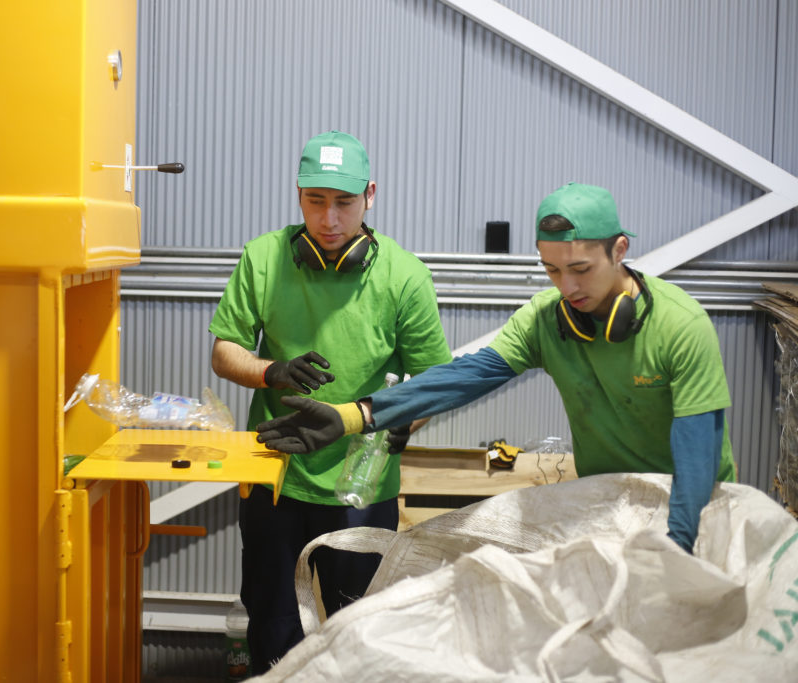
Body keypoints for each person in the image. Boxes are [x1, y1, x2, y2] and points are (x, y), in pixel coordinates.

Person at [256, 181, 736, 556]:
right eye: (551, 270)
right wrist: (352, 416)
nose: (567, 287)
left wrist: (676, 548)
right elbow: (463, 377)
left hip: (695, 507)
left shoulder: (681, 326)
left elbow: (697, 455)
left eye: (581, 269)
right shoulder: (547, 320)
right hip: (605, 504)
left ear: (620, 250)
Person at [209, 130, 452, 673]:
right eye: (315, 201)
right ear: (298, 195)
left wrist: (400, 420)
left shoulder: (404, 276)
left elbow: (434, 380)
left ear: (370, 196)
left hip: (359, 481)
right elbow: (224, 352)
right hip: (275, 475)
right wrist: (270, 370)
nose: (329, 219)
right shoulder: (263, 258)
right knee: (272, 625)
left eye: (344, 202)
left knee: (356, 627)